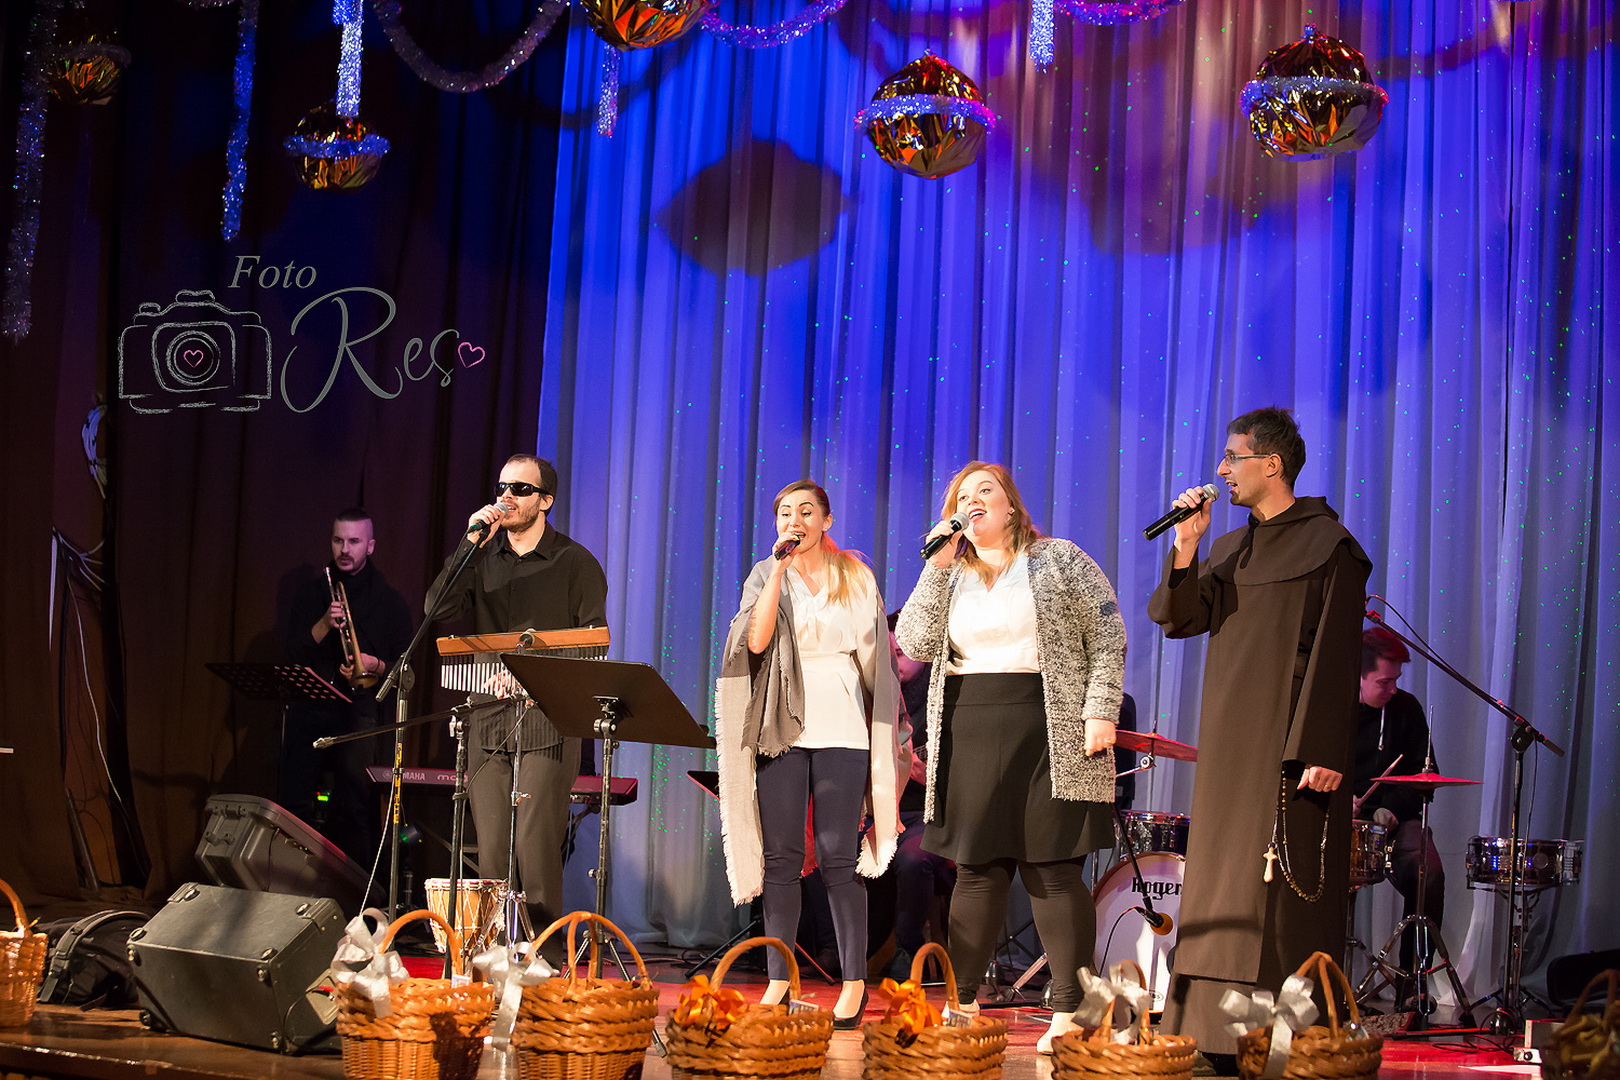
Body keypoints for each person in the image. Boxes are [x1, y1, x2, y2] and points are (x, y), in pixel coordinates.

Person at [1148, 407, 1372, 1063]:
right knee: (1220, 883)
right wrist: (1186, 544)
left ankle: (1281, 1039)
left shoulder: (1330, 545)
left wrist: (1322, 749)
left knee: (1276, 890)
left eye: (1232, 456)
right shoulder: (1228, 549)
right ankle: (1209, 1033)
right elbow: (1176, 616)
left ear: (1271, 464)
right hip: (1229, 739)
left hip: (1290, 742)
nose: (1220, 469)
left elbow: (1337, 656)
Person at [896, 461, 1127, 1054]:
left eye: (985, 491)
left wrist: (1101, 708)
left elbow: (1108, 634)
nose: (972, 501)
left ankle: (1070, 1010)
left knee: (1052, 867)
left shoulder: (1059, 560)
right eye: (961, 496)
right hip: (969, 724)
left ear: (1010, 505)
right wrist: (934, 568)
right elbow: (914, 642)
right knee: (977, 868)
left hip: (1048, 724)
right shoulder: (949, 571)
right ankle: (963, 1002)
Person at [715, 480, 902, 1029]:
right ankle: (779, 978)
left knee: (838, 856)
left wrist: (889, 732)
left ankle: (853, 983)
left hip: (843, 722)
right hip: (782, 724)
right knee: (781, 858)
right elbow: (755, 642)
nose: (793, 521)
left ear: (826, 519)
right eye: (783, 513)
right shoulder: (764, 573)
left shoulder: (856, 576)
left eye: (805, 511)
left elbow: (874, 661)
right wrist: (777, 570)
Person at [425, 454, 607, 963]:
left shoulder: (575, 562)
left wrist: (532, 672)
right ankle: (495, 957)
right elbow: (437, 609)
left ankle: (544, 959)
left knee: (534, 843)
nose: (507, 496)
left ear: (545, 501)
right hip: (488, 714)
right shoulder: (482, 556)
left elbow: (593, 643)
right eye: (502, 486)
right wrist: (468, 544)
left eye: (521, 489)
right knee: (491, 849)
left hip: (548, 717)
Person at [280, 508, 413, 864]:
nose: (344, 549)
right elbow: (292, 652)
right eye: (338, 540)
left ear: (370, 546)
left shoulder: (389, 602)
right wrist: (324, 623)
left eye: (354, 541)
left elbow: (406, 668)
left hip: (359, 712)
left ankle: (353, 885)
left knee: (354, 807)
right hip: (311, 707)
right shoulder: (312, 593)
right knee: (293, 802)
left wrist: (373, 664)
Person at [1353, 626, 1446, 1002]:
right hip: (1341, 820)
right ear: (1359, 676)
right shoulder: (1331, 706)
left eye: (1396, 680)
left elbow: (1426, 775)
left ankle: (1413, 981)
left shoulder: (1406, 708)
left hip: (1393, 819)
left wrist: (1390, 808)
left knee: (1428, 872)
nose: (1393, 689)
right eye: (1384, 681)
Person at [866, 613, 956, 980]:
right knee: (829, 850)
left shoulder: (945, 698)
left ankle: (909, 951)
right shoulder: (877, 695)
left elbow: (965, 775)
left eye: (901, 654)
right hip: (881, 810)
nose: (894, 662)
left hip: (929, 815)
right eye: (889, 654)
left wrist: (926, 776)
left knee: (911, 859)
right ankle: (841, 949)